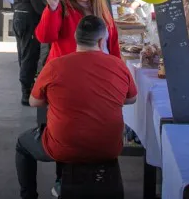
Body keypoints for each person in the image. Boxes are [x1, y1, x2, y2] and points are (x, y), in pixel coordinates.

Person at [15, 16, 137, 199]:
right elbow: (131, 99)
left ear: (75, 37)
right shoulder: (118, 65)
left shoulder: (55, 66)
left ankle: (28, 195)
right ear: (102, 40)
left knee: (22, 145)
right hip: (109, 147)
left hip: (62, 147)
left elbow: (34, 101)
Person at [36, 0, 121, 64]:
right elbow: (45, 37)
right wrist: (52, 9)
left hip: (101, 69)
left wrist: (118, 67)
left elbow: (113, 41)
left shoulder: (100, 7)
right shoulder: (62, 6)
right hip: (71, 70)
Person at [11, 0, 57, 105]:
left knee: (23, 54)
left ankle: (26, 88)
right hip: (30, 20)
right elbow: (38, 4)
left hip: (19, 16)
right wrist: (50, 11)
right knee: (30, 55)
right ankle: (27, 92)